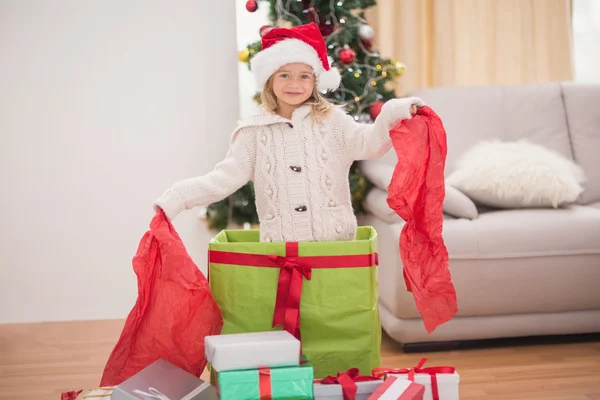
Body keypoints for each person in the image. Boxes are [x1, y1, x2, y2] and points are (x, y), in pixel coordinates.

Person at [154, 22, 423, 243]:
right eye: (284, 75)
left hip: (336, 248)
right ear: (269, 79)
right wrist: (177, 197)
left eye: (304, 76)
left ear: (316, 81)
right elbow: (222, 180)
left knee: (334, 309)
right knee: (289, 311)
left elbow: (370, 143)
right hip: (281, 250)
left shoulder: (333, 122)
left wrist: (392, 112)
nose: (295, 84)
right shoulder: (253, 133)